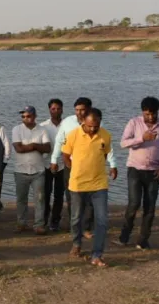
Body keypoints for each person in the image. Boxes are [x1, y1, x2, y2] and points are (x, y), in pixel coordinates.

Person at [50, 98, 115, 237]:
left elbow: (106, 146)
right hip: (71, 166)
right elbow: (59, 141)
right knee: (72, 196)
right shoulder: (68, 123)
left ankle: (86, 227)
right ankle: (75, 226)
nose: (79, 113)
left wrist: (112, 164)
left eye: (82, 110)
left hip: (92, 168)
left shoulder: (97, 124)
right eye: (77, 110)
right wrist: (54, 159)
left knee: (91, 197)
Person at [118, 97, 159, 250]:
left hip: (154, 172)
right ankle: (124, 237)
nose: (150, 117)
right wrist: (141, 138)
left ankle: (143, 240)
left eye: (153, 114)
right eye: (147, 114)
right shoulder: (134, 123)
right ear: (142, 112)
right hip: (135, 169)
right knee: (134, 203)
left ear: (158, 112)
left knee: (149, 207)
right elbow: (123, 143)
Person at [62, 108, 118, 267]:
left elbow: (105, 154)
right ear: (83, 122)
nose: (93, 129)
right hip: (78, 184)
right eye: (89, 126)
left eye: (96, 125)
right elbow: (65, 155)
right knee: (76, 218)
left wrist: (104, 167)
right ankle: (77, 244)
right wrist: (75, 169)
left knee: (102, 220)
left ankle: (97, 255)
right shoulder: (73, 135)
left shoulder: (105, 135)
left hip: (99, 183)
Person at [10, 106, 52, 235]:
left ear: (34, 116)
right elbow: (18, 148)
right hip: (20, 170)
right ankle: (21, 223)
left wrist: (33, 145)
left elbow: (47, 148)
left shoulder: (42, 130)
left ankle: (39, 224)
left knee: (39, 199)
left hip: (38, 170)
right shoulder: (16, 129)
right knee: (21, 198)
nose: (25, 119)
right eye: (23, 116)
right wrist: (35, 146)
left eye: (28, 116)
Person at [39, 99, 66, 231]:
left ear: (62, 109)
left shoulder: (68, 125)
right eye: (53, 109)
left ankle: (55, 220)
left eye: (58, 108)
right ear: (49, 110)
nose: (55, 111)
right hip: (46, 164)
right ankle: (44, 220)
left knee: (59, 195)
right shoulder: (43, 126)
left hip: (63, 164)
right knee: (45, 193)